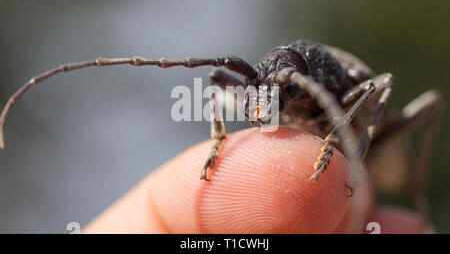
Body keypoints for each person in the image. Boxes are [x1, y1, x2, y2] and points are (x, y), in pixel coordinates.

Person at [83, 127, 432, 234]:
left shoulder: (322, 77)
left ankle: (419, 196)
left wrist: (332, 145)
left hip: (375, 141)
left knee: (411, 96)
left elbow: (377, 87)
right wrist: (220, 140)